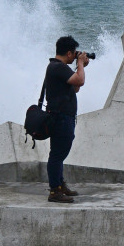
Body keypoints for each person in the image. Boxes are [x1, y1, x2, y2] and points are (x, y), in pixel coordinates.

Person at [45, 35, 90, 203]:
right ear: (70, 53)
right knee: (57, 155)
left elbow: (76, 87)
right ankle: (54, 191)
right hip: (61, 118)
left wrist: (81, 66)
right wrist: (80, 65)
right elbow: (80, 81)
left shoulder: (58, 67)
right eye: (75, 55)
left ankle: (59, 185)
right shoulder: (58, 67)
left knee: (59, 154)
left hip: (63, 117)